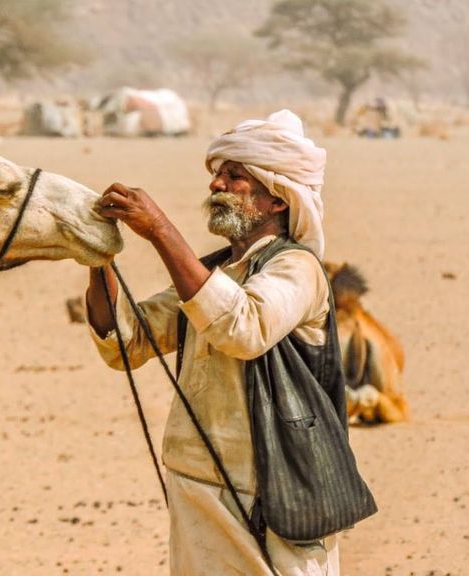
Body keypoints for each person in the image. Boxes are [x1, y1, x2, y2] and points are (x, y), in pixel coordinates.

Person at [85, 109, 340, 575]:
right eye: (217, 174)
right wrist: (97, 254)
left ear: (278, 199)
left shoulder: (296, 268)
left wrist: (160, 230)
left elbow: (243, 329)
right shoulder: (214, 274)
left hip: (271, 489)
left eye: (233, 175)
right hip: (195, 480)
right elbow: (127, 343)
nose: (216, 185)